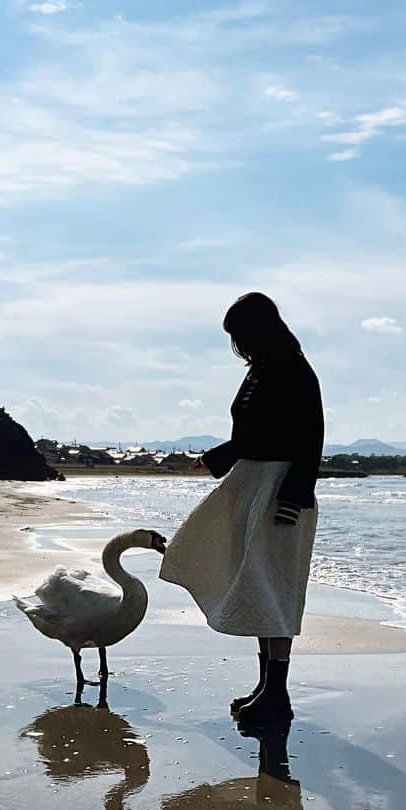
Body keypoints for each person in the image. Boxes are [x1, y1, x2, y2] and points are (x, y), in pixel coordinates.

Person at [160, 292, 323, 728]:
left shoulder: (294, 371)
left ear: (258, 331)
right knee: (255, 583)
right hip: (251, 485)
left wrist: (293, 497)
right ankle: (266, 686)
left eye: (240, 335)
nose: (237, 346)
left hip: (279, 491)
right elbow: (251, 436)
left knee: (275, 590)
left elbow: (310, 439)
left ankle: (278, 695)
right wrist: (216, 459)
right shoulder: (262, 371)